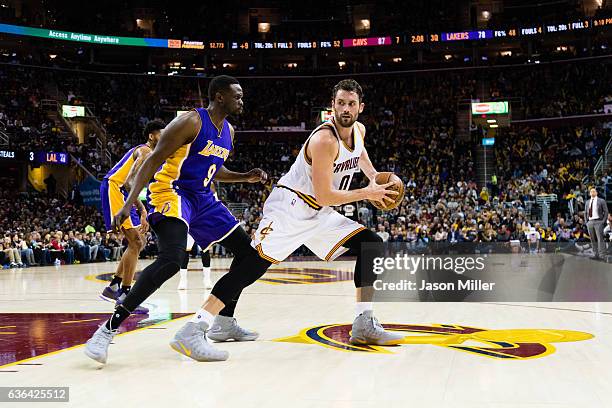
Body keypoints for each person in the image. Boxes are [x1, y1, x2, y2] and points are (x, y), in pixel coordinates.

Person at [182, 79, 401, 360]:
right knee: (252, 266)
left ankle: (363, 323)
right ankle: (197, 326)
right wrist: (366, 191)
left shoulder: (359, 130)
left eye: (351, 103)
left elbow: (360, 159)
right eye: (341, 103)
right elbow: (324, 194)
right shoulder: (324, 139)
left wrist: (374, 178)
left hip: (318, 213)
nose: (346, 109)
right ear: (332, 106)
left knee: (372, 245)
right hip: (291, 208)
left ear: (361, 107)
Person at [85, 75, 268, 364]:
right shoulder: (191, 122)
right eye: (237, 95)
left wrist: (244, 176)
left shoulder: (229, 131)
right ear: (219, 96)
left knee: (253, 256)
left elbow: (213, 168)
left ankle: (223, 322)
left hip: (203, 197)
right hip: (171, 191)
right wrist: (129, 203)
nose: (241, 100)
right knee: (171, 259)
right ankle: (106, 331)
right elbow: (153, 160)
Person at [99, 120, 165, 314]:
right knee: (136, 242)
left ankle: (113, 287)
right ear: (152, 136)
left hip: (121, 192)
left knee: (138, 242)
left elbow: (132, 185)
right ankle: (126, 295)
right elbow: (129, 183)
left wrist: (141, 209)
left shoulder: (151, 155)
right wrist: (143, 210)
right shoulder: (145, 151)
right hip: (115, 188)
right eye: (162, 133)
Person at [585, 187, 609, 260]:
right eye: (591, 192)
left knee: (600, 239)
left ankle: (602, 255)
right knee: (592, 239)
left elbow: (606, 211)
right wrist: (587, 222)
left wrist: (603, 221)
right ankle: (595, 254)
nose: (592, 193)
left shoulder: (601, 201)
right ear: (589, 193)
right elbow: (585, 213)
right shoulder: (587, 202)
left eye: (594, 191)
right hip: (590, 222)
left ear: (596, 193)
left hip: (599, 221)